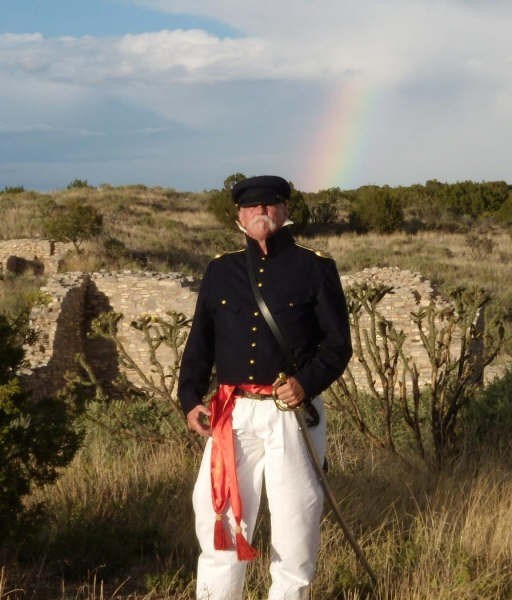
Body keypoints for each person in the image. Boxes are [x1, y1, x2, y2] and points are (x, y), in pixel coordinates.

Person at [178, 175, 352, 600]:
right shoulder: (220, 271)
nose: (260, 212)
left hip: (290, 415)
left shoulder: (315, 268)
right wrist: (189, 399)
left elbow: (337, 345)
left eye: (270, 204)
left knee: (296, 523)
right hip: (230, 414)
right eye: (251, 206)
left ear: (285, 210)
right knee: (218, 517)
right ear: (239, 216)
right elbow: (200, 341)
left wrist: (305, 384)